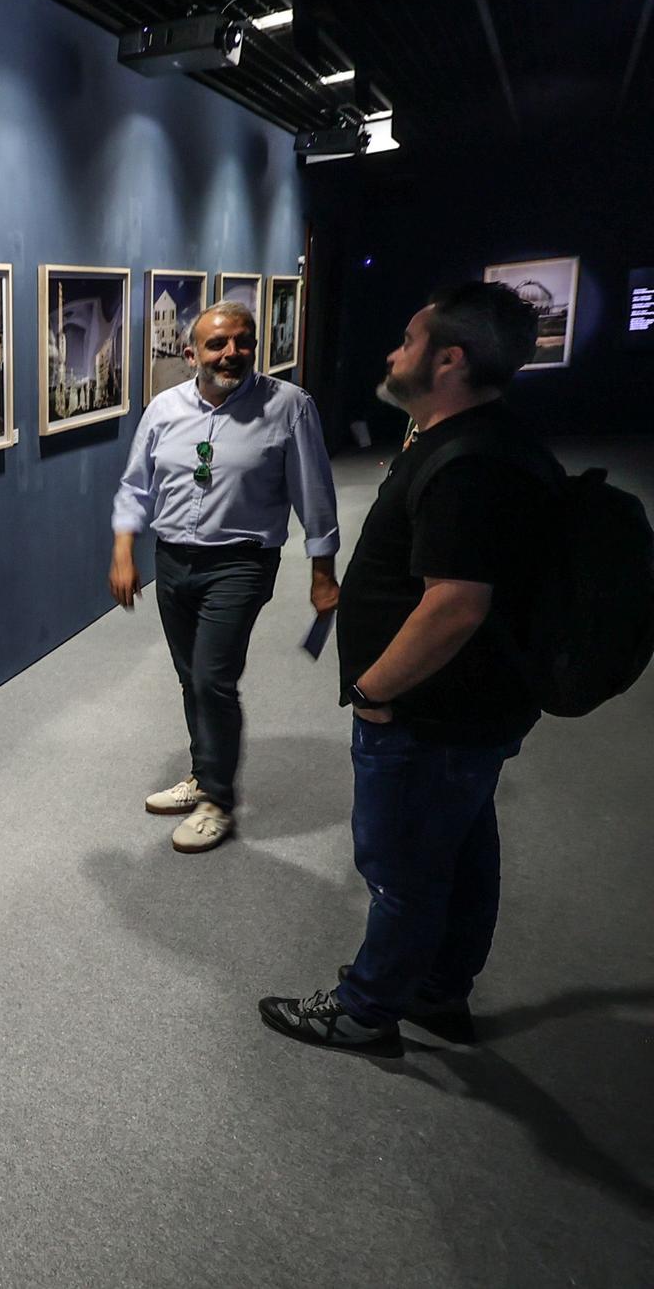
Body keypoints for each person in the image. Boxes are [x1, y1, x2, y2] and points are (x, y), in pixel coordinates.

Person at [260, 281, 550, 1054]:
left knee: (403, 869)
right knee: (457, 846)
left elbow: (455, 606)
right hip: (465, 712)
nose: (393, 353)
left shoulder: (469, 464)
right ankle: (439, 987)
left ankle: (365, 1007)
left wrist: (372, 689)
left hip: (430, 712)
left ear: (448, 359)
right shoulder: (464, 440)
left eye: (409, 341)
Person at [110, 301, 340, 852]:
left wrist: (323, 572)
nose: (231, 352)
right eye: (217, 344)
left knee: (213, 677)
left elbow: (315, 495)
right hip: (172, 560)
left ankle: (218, 798)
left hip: (241, 562)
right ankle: (202, 771)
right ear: (192, 354)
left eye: (242, 341)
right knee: (191, 677)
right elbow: (136, 485)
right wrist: (124, 549)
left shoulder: (288, 406)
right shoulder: (164, 409)